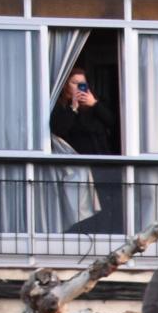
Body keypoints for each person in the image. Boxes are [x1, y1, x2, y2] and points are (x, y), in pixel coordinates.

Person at [49, 67, 124, 235]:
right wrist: (73, 108)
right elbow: (60, 129)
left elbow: (113, 122)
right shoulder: (61, 108)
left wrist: (95, 105)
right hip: (79, 167)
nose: (79, 88)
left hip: (104, 163)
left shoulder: (95, 104)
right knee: (84, 207)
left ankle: (106, 236)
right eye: (74, 83)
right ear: (65, 86)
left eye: (82, 84)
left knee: (109, 203)